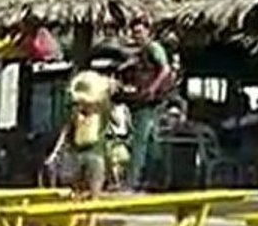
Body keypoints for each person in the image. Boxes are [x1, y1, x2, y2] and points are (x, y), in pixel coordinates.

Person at [112, 18, 174, 190]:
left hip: (149, 100)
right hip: (143, 99)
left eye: (139, 32)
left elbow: (166, 69)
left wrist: (152, 88)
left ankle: (132, 181)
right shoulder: (140, 53)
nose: (136, 36)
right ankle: (157, 178)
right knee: (152, 141)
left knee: (140, 140)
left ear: (148, 31)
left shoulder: (153, 48)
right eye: (134, 32)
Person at [46, 71, 112, 199]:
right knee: (76, 192)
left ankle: (91, 213)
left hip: (94, 155)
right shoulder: (75, 113)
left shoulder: (102, 111)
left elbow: (107, 96)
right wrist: (55, 153)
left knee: (93, 192)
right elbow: (66, 132)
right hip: (77, 155)